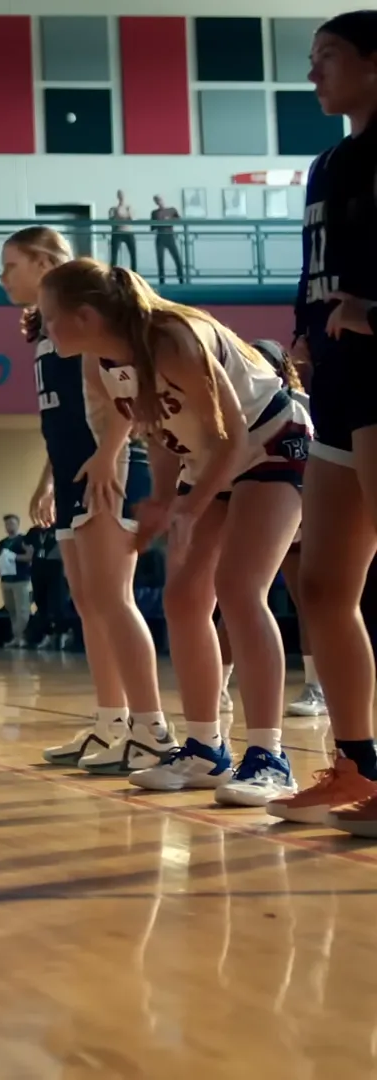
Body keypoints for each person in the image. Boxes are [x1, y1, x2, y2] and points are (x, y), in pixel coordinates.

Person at [41, 259, 306, 806]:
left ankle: (270, 757)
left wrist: (189, 509)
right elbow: (159, 434)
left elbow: (231, 437)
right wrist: (163, 500)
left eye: (50, 318)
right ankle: (207, 748)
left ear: (85, 315)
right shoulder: (101, 361)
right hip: (209, 461)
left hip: (270, 442)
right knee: (184, 599)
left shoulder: (174, 339)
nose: (44, 329)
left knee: (239, 588)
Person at [0, 226, 164, 772]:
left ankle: (153, 730)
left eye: (10, 266)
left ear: (45, 262)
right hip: (73, 469)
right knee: (88, 602)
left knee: (114, 599)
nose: (3, 278)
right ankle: (111, 722)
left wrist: (111, 451)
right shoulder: (45, 330)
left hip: (110, 467)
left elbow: (127, 389)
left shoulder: (88, 315)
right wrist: (49, 478)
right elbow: (68, 415)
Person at [272, 11, 377, 833]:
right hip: (338, 389)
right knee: (321, 584)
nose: (313, 75)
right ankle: (357, 764)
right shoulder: (326, 165)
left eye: (329, 58)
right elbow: (318, 270)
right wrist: (303, 332)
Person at [252, 338, 327, 718]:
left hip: (306, 511)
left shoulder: (302, 406)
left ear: (281, 369)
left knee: (313, 601)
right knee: (248, 595)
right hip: (266, 513)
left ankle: (319, 687)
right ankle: (220, 687)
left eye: (265, 363)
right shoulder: (244, 406)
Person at [0, 514, 33, 646]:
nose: (9, 525)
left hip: (20, 579)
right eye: (7, 523)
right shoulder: (2, 543)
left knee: (22, 610)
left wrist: (13, 557)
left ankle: (21, 637)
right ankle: (17, 637)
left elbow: (29, 557)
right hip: (6, 580)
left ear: (18, 524)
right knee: (11, 609)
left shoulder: (24, 540)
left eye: (12, 523)